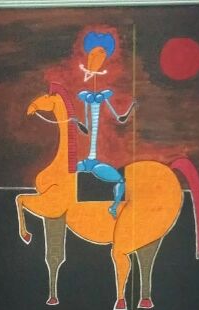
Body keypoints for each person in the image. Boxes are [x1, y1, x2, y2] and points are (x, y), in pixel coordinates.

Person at [74, 30, 136, 216]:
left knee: (120, 181)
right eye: (93, 54)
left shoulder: (104, 95)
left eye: (100, 55)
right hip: (87, 161)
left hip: (97, 162)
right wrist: (75, 121)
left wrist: (131, 108)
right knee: (66, 172)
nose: (96, 58)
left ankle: (114, 207)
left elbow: (120, 118)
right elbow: (85, 127)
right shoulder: (86, 95)